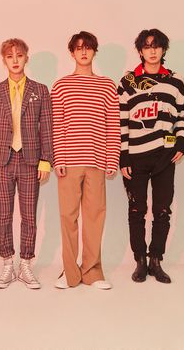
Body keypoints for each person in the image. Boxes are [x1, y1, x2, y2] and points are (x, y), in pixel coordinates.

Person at [117, 28, 184, 284]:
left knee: (162, 211)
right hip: (135, 156)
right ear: (140, 51)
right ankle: (140, 260)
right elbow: (121, 120)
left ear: (163, 49)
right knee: (137, 210)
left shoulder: (175, 80)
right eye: (147, 46)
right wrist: (123, 155)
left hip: (164, 157)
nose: (152, 51)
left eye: (156, 46)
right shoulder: (128, 81)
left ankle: (156, 259)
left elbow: (182, 115)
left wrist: (181, 139)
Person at [51, 31, 120, 290]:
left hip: (97, 160)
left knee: (94, 217)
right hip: (69, 160)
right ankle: (70, 273)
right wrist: (58, 157)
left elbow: (113, 125)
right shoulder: (61, 86)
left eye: (88, 48)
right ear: (71, 53)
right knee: (68, 216)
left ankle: (92, 272)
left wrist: (112, 158)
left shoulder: (107, 85)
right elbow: (57, 125)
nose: (83, 52)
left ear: (94, 51)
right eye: (78, 48)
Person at [0, 38, 52, 289]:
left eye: (19, 55)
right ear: (4, 60)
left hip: (30, 160)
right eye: (10, 56)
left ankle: (25, 264)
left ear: (26, 58)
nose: (15, 60)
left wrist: (46, 160)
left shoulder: (40, 90)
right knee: (3, 215)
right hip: (2, 161)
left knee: (29, 216)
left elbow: (46, 127)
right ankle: (7, 263)